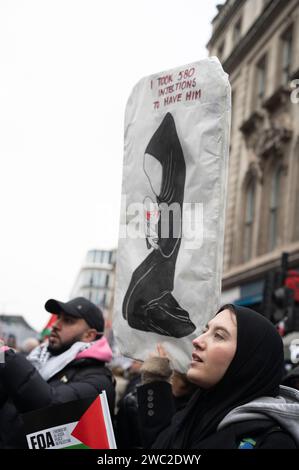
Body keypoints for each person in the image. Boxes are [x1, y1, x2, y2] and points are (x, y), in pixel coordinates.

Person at [137, 304, 299, 449]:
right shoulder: (194, 413)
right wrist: (156, 380)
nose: (197, 341)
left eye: (219, 336)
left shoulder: (273, 442)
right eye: (205, 331)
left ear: (249, 359)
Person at [0, 297, 115, 448]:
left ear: (89, 336)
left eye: (68, 321)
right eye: (58, 318)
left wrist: (4, 355)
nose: (55, 325)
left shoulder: (99, 380)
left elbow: (50, 408)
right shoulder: (36, 361)